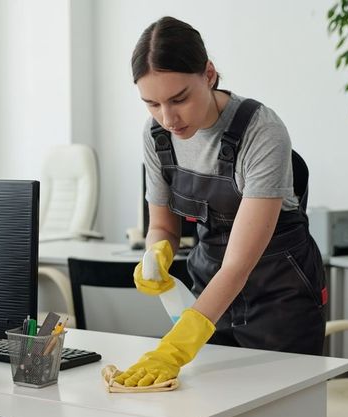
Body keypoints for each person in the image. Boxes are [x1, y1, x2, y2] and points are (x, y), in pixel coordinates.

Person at [113, 16, 327, 388]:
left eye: (179, 98)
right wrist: (156, 254)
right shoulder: (156, 136)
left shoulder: (261, 132)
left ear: (209, 74)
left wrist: (176, 348)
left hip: (280, 300)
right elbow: (162, 225)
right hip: (209, 293)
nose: (168, 118)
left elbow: (238, 265)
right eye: (152, 104)